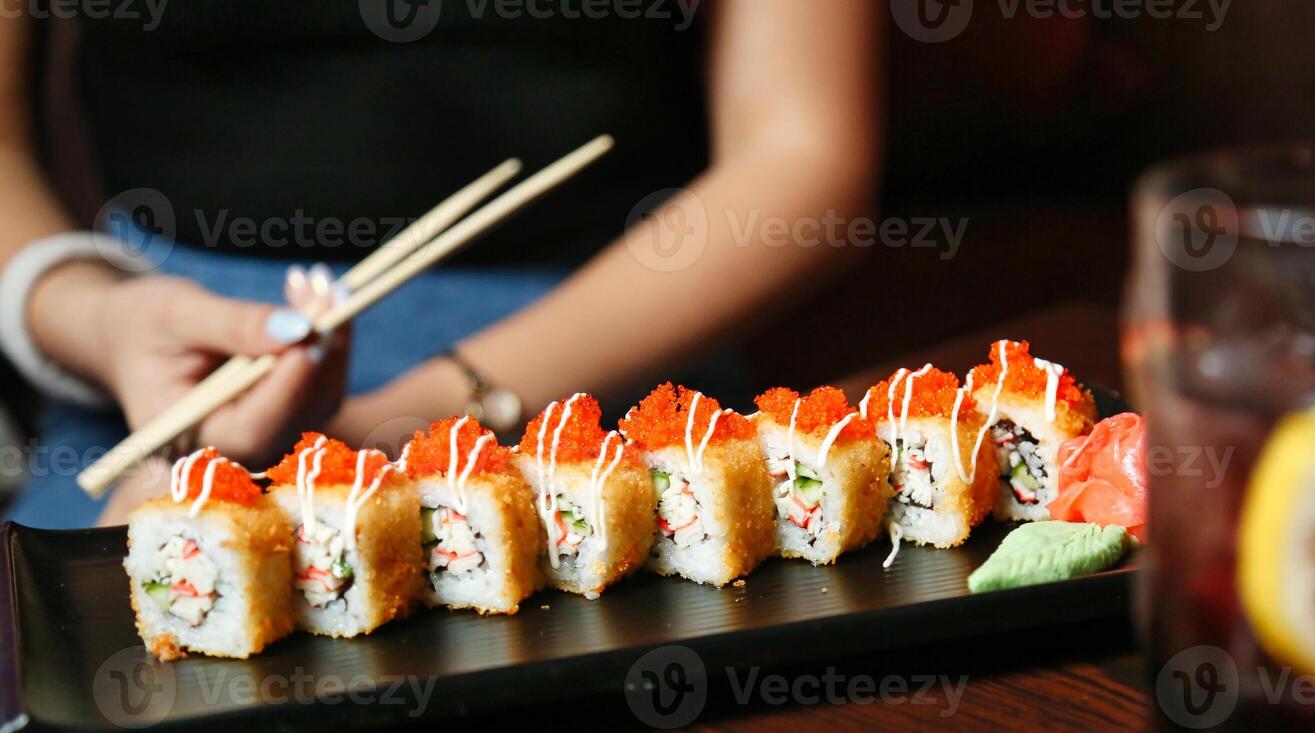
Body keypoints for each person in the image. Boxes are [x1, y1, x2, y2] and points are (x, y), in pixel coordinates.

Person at [0, 1, 879, 527]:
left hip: (609, 350)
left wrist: (412, 420)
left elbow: (802, 158)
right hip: (158, 365)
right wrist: (91, 316)